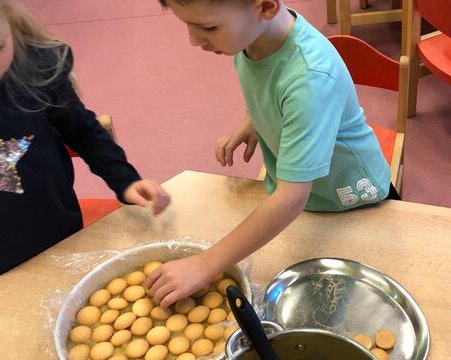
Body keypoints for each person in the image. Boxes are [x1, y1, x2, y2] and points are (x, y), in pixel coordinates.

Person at [145, 0, 398, 307]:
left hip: (351, 201)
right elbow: (270, 82)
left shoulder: (310, 78)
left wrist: (207, 263)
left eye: (208, 27)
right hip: (305, 196)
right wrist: (251, 120)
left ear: (265, 7)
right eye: (187, 24)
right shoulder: (251, 37)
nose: (193, 40)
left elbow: (290, 198)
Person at [0, 0, 170, 294]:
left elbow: (82, 129)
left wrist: (125, 179)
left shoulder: (34, 69)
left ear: (9, 25)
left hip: (57, 235)